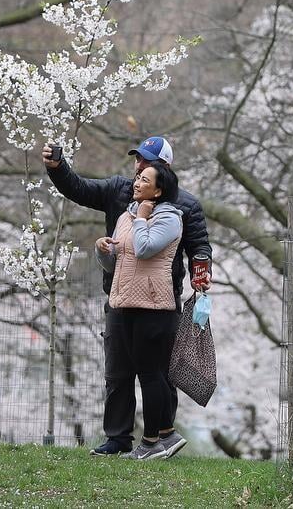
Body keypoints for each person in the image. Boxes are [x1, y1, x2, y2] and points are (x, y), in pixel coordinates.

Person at [43, 136, 212, 458]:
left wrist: (201, 275)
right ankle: (118, 438)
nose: (138, 168)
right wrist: (57, 167)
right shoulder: (120, 193)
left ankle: (160, 436)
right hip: (119, 295)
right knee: (118, 372)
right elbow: (78, 188)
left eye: (146, 164)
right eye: (138, 161)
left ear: (164, 170)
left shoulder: (183, 206)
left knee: (158, 372)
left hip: (159, 298)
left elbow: (199, 246)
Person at [96, 161, 183, 459]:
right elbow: (117, 261)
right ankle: (163, 439)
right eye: (137, 178)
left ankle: (151, 443)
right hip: (126, 302)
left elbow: (146, 248)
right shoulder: (126, 216)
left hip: (153, 305)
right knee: (139, 372)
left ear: (158, 191)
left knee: (150, 373)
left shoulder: (170, 218)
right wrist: (102, 250)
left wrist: (142, 219)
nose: (136, 183)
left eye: (144, 180)